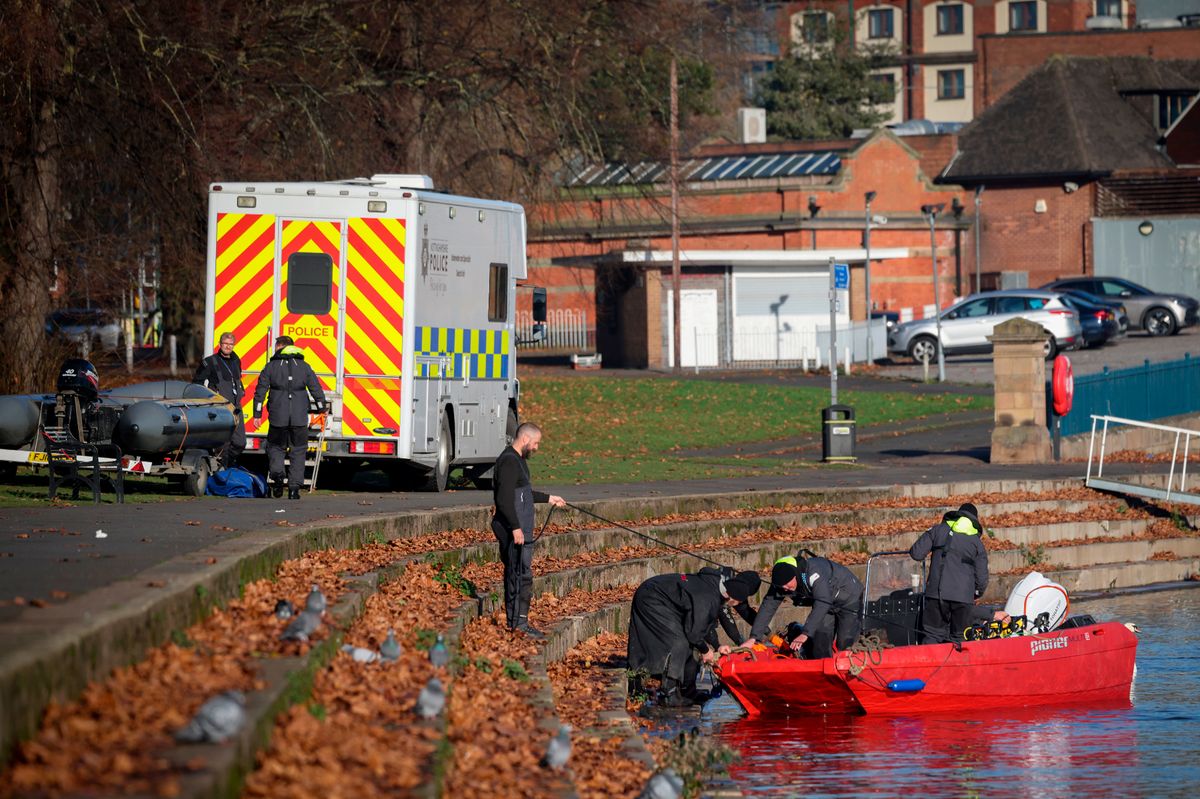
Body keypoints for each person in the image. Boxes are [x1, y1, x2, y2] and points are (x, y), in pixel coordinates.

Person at [627, 567, 762, 706]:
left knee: (693, 645)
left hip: (664, 598)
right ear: (732, 598)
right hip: (652, 597)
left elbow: (703, 624)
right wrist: (706, 651)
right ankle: (669, 694)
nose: (738, 605)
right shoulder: (708, 598)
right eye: (738, 602)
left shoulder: (717, 589)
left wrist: (717, 646)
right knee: (680, 642)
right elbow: (694, 633)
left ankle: (688, 691)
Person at [491, 422, 566, 638]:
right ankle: (517, 625)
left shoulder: (519, 461)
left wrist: (548, 498)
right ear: (525, 439)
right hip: (513, 530)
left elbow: (523, 492)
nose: (536, 448)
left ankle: (521, 622)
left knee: (524, 574)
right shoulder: (508, 461)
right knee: (516, 574)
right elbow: (504, 499)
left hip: (521, 530)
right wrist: (515, 528)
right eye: (535, 443)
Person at [745, 553, 863, 659]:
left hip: (848, 599)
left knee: (844, 644)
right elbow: (767, 607)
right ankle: (824, 675)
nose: (785, 588)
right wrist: (754, 637)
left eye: (788, 583)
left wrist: (805, 633)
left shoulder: (813, 573)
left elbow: (823, 601)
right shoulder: (780, 585)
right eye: (782, 586)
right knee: (820, 645)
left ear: (795, 575)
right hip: (827, 606)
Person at [252, 335, 326, 500]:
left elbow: (260, 391)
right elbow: (316, 388)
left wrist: (257, 414)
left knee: (275, 448)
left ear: (279, 347)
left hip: (278, 417)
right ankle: (294, 489)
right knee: (298, 451)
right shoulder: (305, 366)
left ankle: (278, 478)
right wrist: (322, 409)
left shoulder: (270, 367)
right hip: (299, 417)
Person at [909, 502, 989, 643]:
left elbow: (916, 553)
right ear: (974, 522)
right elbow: (981, 579)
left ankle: (930, 664)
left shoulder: (938, 530)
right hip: (963, 599)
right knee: (960, 639)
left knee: (932, 636)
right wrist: (976, 593)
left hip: (935, 596)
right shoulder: (977, 543)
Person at [192, 332, 246, 468]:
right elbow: (196, 383)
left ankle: (230, 463)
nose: (228, 347)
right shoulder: (210, 362)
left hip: (236, 408)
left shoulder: (236, 360)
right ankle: (222, 470)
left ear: (234, 345)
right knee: (223, 445)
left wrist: (241, 391)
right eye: (225, 344)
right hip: (220, 408)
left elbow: (238, 380)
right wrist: (205, 400)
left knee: (240, 442)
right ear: (220, 345)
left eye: (230, 344)